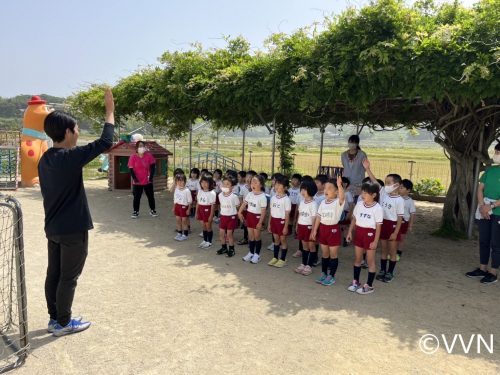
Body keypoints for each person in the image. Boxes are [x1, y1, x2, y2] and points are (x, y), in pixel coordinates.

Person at [39, 87, 114, 336]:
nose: (78, 133)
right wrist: (110, 111)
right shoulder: (69, 157)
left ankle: (54, 318)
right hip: (73, 229)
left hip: (53, 228)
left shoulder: (46, 159)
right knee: (68, 277)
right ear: (68, 132)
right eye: (77, 129)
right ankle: (63, 322)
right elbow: (105, 142)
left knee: (55, 274)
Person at [363, 159, 404, 283]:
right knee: (383, 250)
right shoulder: (384, 193)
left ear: (396, 185)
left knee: (392, 251)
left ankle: (390, 272)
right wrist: (367, 168)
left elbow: (400, 218)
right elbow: (375, 181)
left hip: (392, 226)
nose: (386, 185)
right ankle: (382, 270)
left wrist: (395, 232)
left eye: (388, 183)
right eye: (385, 183)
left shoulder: (399, 200)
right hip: (382, 224)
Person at [466, 142, 500, 284]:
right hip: (484, 210)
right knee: (484, 240)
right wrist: (482, 206)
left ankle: (493, 272)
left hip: (497, 212)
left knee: (496, 243)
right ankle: (482, 268)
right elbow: (480, 189)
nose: (495, 155)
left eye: (498, 153)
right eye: (495, 152)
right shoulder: (490, 171)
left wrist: (491, 206)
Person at [346, 182, 383, 294]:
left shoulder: (377, 208)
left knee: (370, 261)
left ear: (374, 195)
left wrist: (376, 241)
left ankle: (369, 285)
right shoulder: (360, 204)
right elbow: (354, 219)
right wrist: (349, 232)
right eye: (362, 192)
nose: (363, 194)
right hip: (359, 232)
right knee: (358, 259)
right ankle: (356, 281)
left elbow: (378, 226)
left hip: (370, 234)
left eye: (366, 193)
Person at [311, 175, 345, 286]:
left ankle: (331, 276)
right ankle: (324, 274)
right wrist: (315, 230)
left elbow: (342, 197)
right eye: (325, 188)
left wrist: (340, 186)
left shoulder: (338, 203)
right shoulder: (322, 203)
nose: (326, 190)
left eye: (330, 188)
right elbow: (318, 217)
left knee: (333, 255)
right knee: (325, 254)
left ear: (336, 192)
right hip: (323, 229)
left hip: (333, 230)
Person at [239, 174, 268, 264]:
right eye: (252, 182)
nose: (253, 184)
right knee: (250, 236)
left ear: (261, 185)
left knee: (257, 237)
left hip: (257, 218)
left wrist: (260, 222)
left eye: (256, 182)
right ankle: (251, 253)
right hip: (249, 216)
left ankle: (257, 255)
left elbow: (263, 211)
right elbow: (244, 204)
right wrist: (239, 212)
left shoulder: (263, 197)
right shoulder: (249, 194)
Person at [294, 179, 318, 276]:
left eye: (305, 189)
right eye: (302, 189)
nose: (302, 192)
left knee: (311, 246)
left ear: (311, 190)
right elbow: (300, 214)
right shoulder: (302, 202)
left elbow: (314, 219)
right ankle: (303, 263)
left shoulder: (313, 204)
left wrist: (313, 231)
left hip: (309, 228)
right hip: (301, 226)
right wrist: (297, 225)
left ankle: (309, 265)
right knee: (304, 247)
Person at [267, 175, 292, 268]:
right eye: (276, 184)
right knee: (276, 240)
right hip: (274, 221)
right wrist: (269, 223)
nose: (276, 186)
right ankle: (275, 257)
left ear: (285, 187)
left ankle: (283, 259)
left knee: (283, 240)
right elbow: (271, 212)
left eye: (279, 185)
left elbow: (287, 215)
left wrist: (286, 226)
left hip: (282, 222)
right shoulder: (273, 197)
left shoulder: (286, 200)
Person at [128, 141, 157, 219]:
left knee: (151, 196)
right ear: (136, 148)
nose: (141, 147)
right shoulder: (133, 157)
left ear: (145, 147)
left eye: (143, 146)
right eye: (140, 146)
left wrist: (150, 177)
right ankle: (135, 211)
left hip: (147, 180)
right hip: (137, 181)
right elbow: (131, 169)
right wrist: (135, 179)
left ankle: (152, 210)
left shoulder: (149, 156)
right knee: (137, 197)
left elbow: (153, 167)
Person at [217, 176, 241, 257]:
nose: (225, 186)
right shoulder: (220, 195)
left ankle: (231, 249)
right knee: (221, 234)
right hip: (223, 216)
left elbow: (238, 206)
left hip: (232, 217)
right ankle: (224, 248)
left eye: (227, 184)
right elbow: (221, 204)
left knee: (229, 234)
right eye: (224, 184)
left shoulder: (234, 196)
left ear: (232, 187)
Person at [396, 179, 416, 261]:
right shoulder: (396, 198)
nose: (399, 189)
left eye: (402, 188)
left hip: (404, 222)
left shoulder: (410, 201)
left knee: (401, 238)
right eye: (399, 187)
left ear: (408, 190)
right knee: (394, 237)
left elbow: (412, 213)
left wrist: (410, 225)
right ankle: (392, 252)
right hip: (395, 221)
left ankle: (398, 253)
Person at [196, 175, 216, 249]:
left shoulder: (212, 193)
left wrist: (211, 215)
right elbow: (198, 202)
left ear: (210, 183)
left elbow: (213, 206)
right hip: (201, 210)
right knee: (203, 226)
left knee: (208, 226)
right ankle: (205, 240)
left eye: (206, 182)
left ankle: (209, 242)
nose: (204, 184)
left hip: (207, 211)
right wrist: (196, 212)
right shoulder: (200, 191)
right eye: (202, 182)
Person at [173, 174, 192, 241]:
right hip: (177, 206)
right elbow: (175, 199)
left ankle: (185, 235)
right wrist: (174, 207)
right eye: (178, 181)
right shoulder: (176, 189)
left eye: (181, 181)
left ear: (185, 181)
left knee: (184, 221)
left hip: (184, 207)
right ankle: (179, 233)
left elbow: (190, 201)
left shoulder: (187, 191)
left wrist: (189, 209)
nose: (180, 183)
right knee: (178, 220)